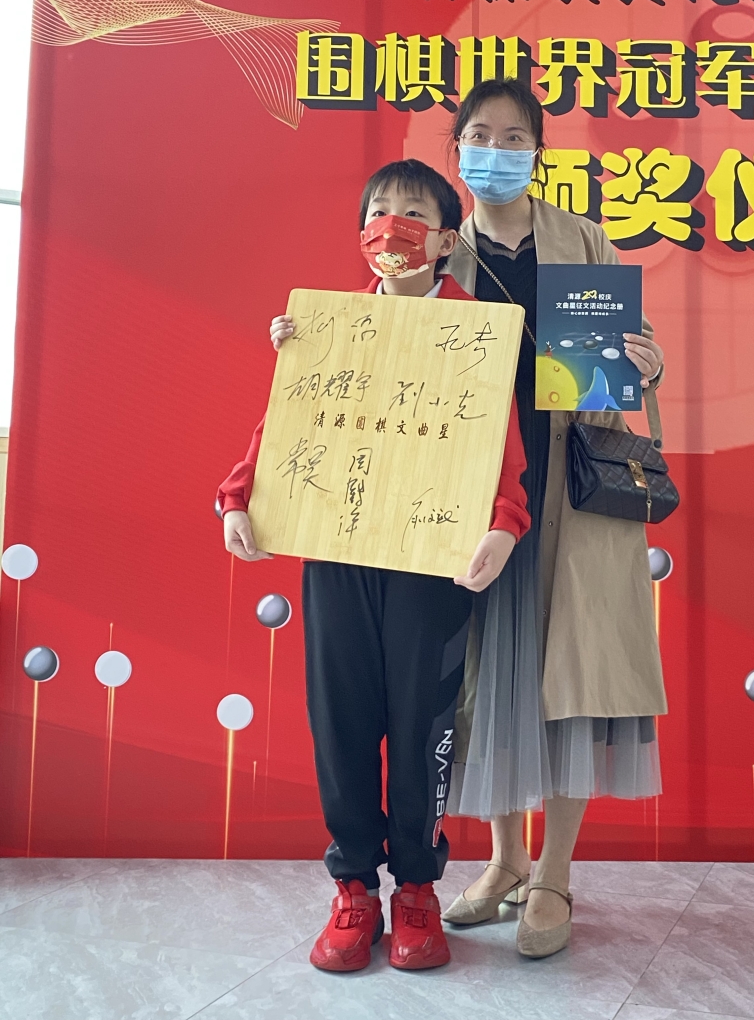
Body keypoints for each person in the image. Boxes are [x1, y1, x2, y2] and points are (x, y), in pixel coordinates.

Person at [219, 159, 530, 974]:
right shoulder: (325, 326)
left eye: (414, 213)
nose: (394, 226)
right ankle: (353, 885)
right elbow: (285, 428)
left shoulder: (477, 330)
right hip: (338, 554)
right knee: (342, 720)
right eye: (380, 211)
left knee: (425, 724)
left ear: (446, 238)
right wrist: (239, 497)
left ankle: (417, 887)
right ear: (361, 231)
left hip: (432, 561)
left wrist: (506, 523)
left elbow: (501, 444)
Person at [439, 78, 668, 959]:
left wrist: (645, 365)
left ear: (538, 151)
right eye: (479, 134)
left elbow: (613, 382)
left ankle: (554, 872)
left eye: (513, 137)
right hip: (481, 496)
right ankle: (502, 862)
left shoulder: (583, 239)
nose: (495, 150)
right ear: (457, 149)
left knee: (572, 677)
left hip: (574, 490)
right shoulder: (441, 251)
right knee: (486, 675)